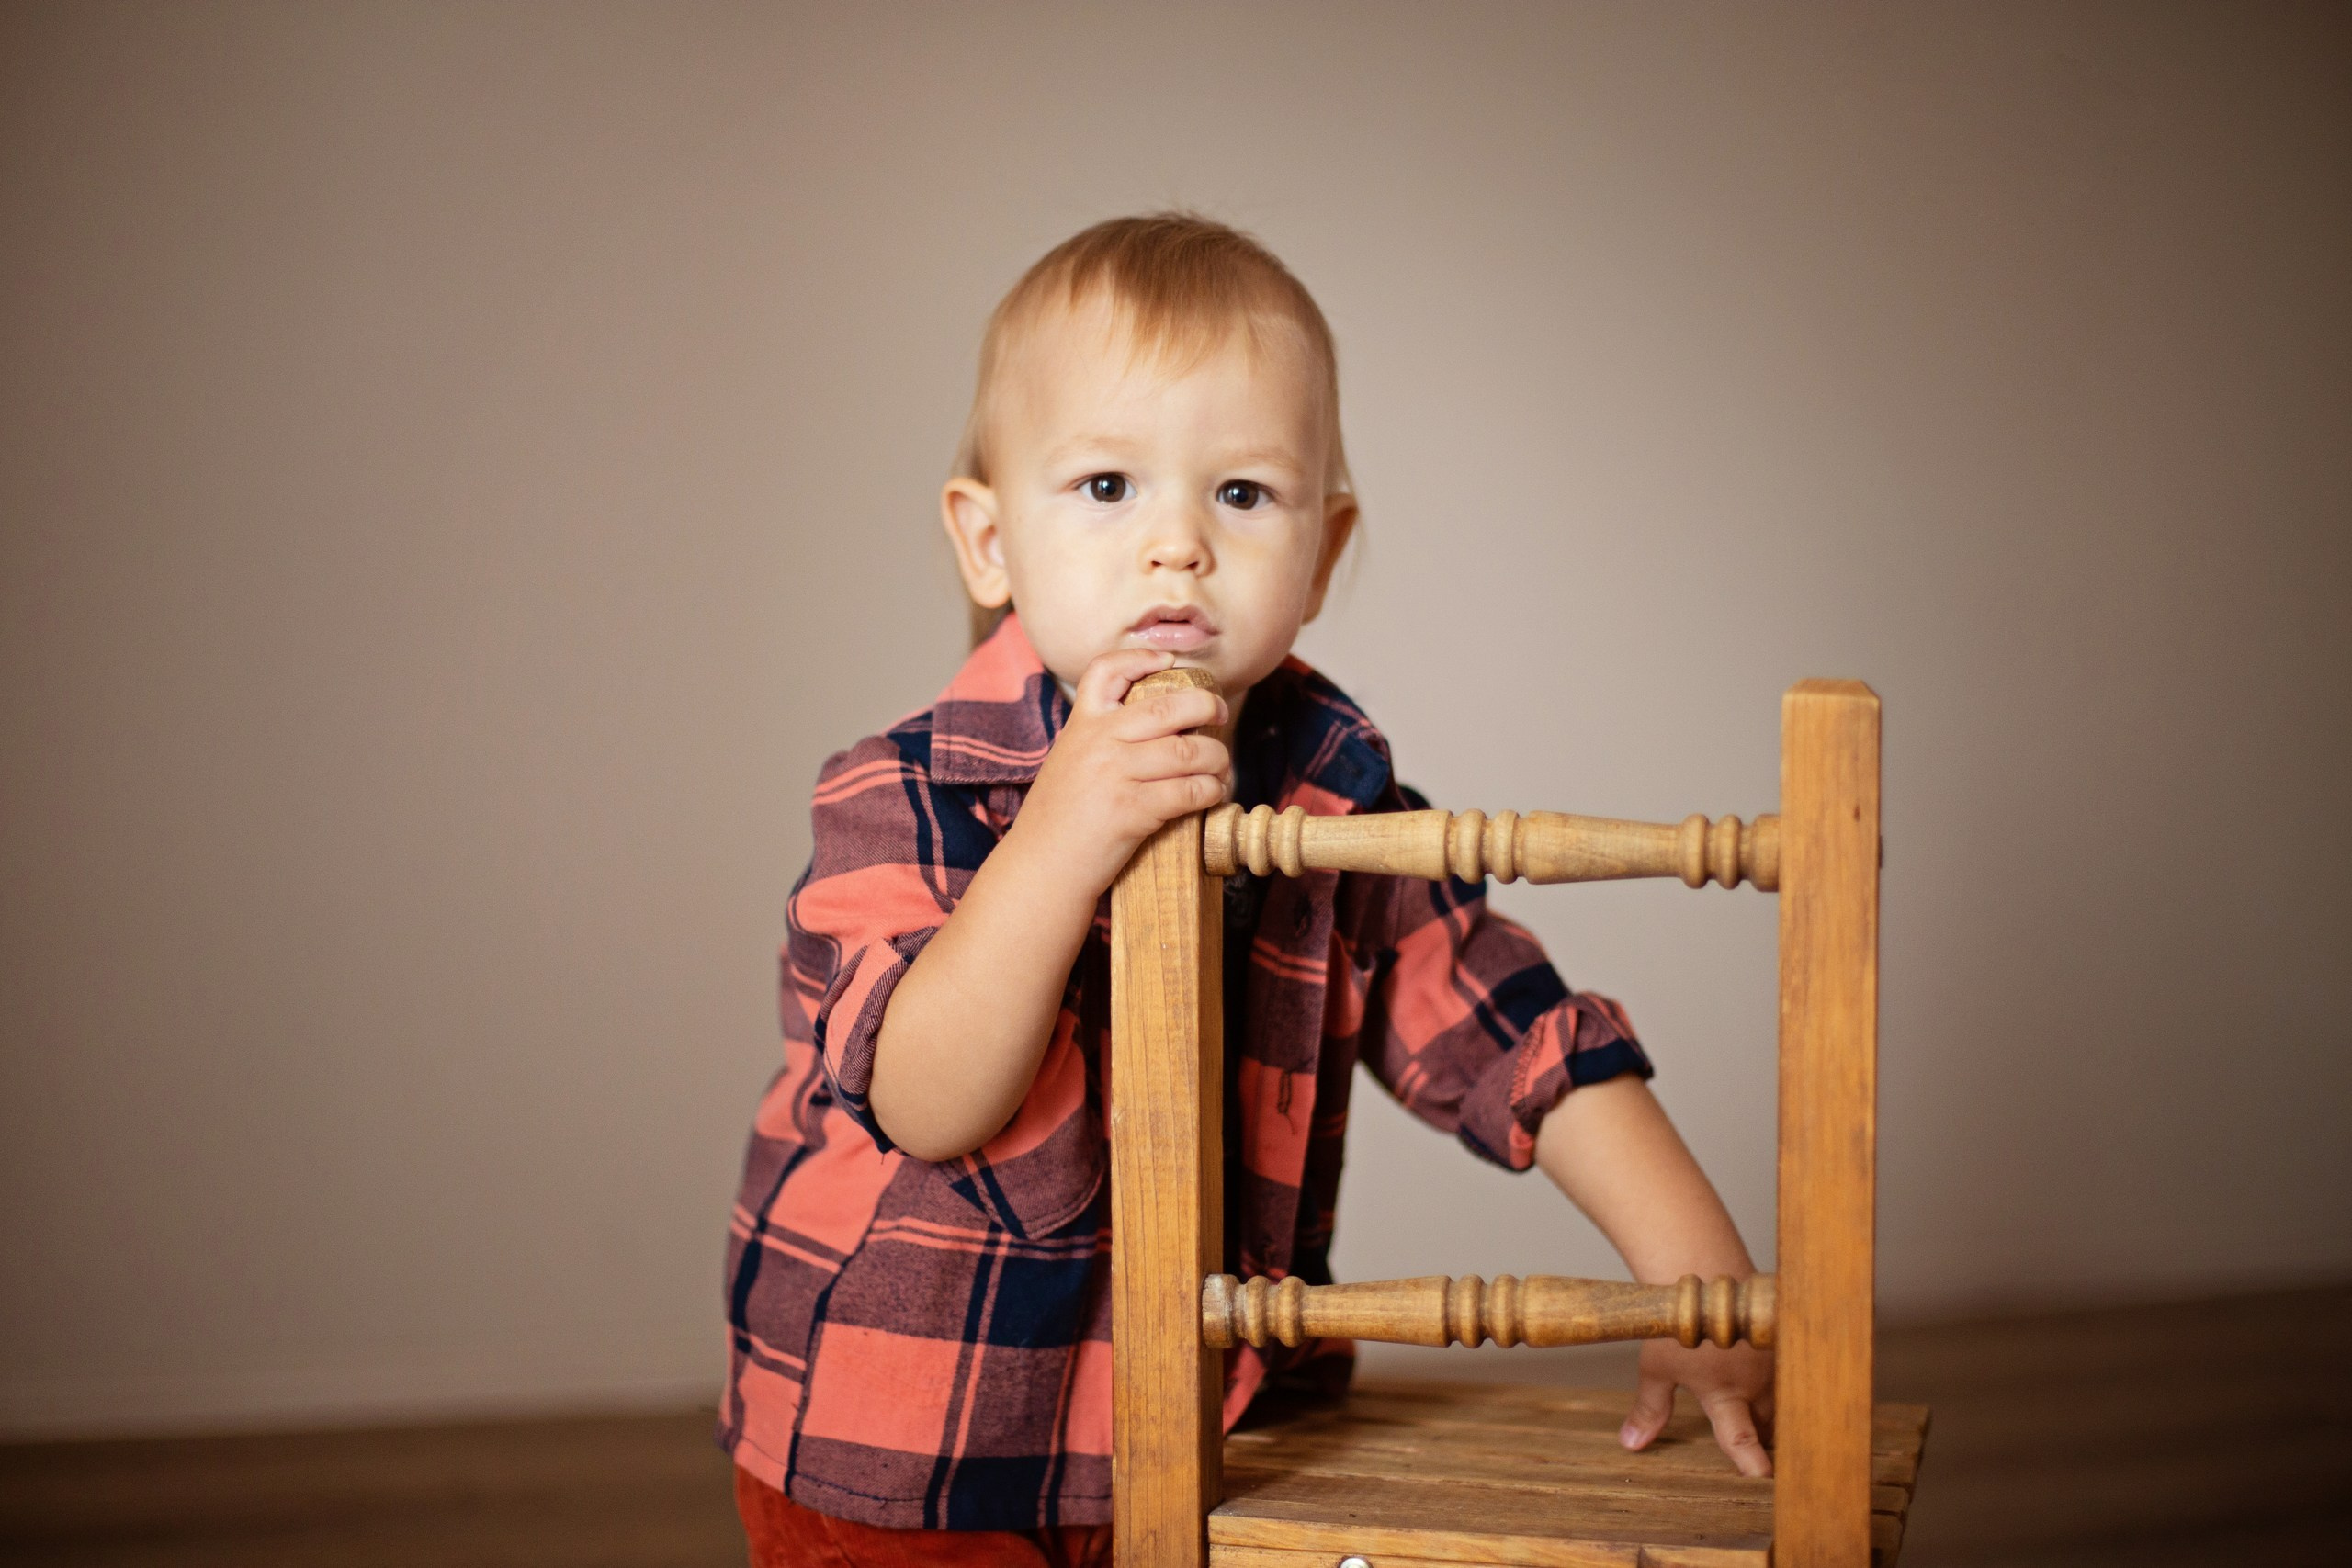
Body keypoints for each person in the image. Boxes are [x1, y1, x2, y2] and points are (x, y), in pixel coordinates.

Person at [720, 214, 1772, 1568]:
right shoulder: (901, 794)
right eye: (1107, 486)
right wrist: (1059, 841)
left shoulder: (1330, 798)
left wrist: (1693, 1274)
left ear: (1322, 555)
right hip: (907, 1449)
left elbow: (1502, 1022)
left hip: (1198, 1427)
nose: (1178, 547)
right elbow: (930, 1101)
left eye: (1241, 494)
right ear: (989, 543)